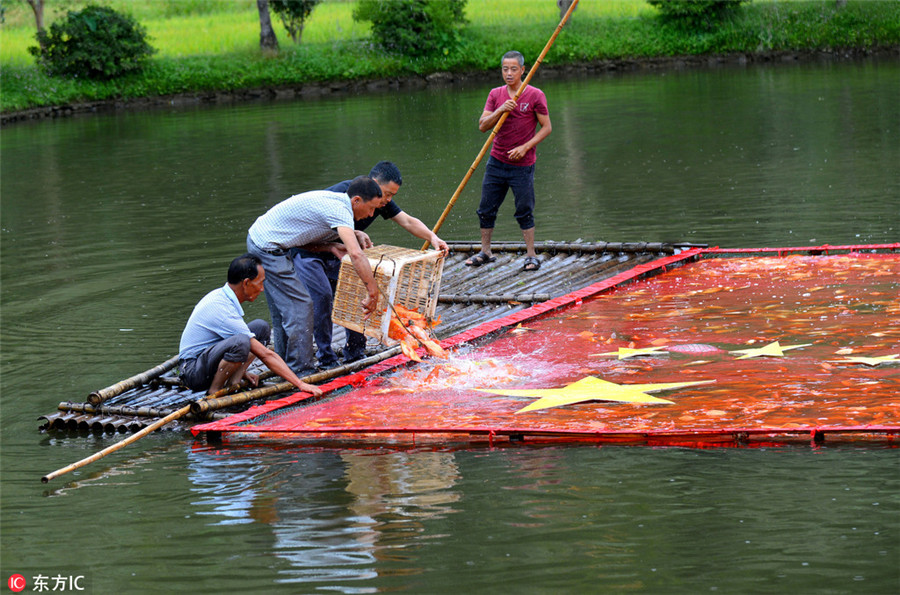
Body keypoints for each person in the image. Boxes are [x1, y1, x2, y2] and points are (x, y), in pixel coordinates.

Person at [293, 161, 450, 367]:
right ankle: (325, 357)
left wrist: (433, 237)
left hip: (340, 252)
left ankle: (355, 351)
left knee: (359, 294)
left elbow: (407, 221)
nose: (388, 200)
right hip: (310, 249)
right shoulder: (345, 194)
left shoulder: (380, 201)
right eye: (387, 194)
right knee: (323, 297)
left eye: (392, 195)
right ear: (373, 186)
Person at [246, 176, 383, 374]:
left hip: (264, 238)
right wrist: (372, 291)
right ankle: (302, 370)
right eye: (371, 208)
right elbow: (356, 254)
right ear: (357, 201)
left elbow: (299, 237)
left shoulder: (337, 202)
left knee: (283, 310)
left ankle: (285, 367)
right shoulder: (341, 210)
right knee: (300, 305)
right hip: (267, 246)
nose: (371, 214)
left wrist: (331, 247)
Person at [177, 254, 323, 397]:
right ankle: (214, 392)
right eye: (260, 283)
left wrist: (244, 372)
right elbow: (266, 355)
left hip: (206, 361)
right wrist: (300, 384)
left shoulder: (223, 296)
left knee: (261, 328)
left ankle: (235, 380)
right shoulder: (221, 308)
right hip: (192, 372)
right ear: (246, 283)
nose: (262, 289)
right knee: (241, 342)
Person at [465, 50, 552, 272]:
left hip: (522, 165)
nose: (509, 73)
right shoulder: (496, 94)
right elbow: (483, 125)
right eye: (505, 69)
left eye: (514, 69)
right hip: (496, 162)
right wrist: (500, 110)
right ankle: (486, 252)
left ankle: (531, 255)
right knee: (486, 209)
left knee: (524, 209)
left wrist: (525, 147)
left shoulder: (535, 95)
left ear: (523, 70)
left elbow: (547, 127)